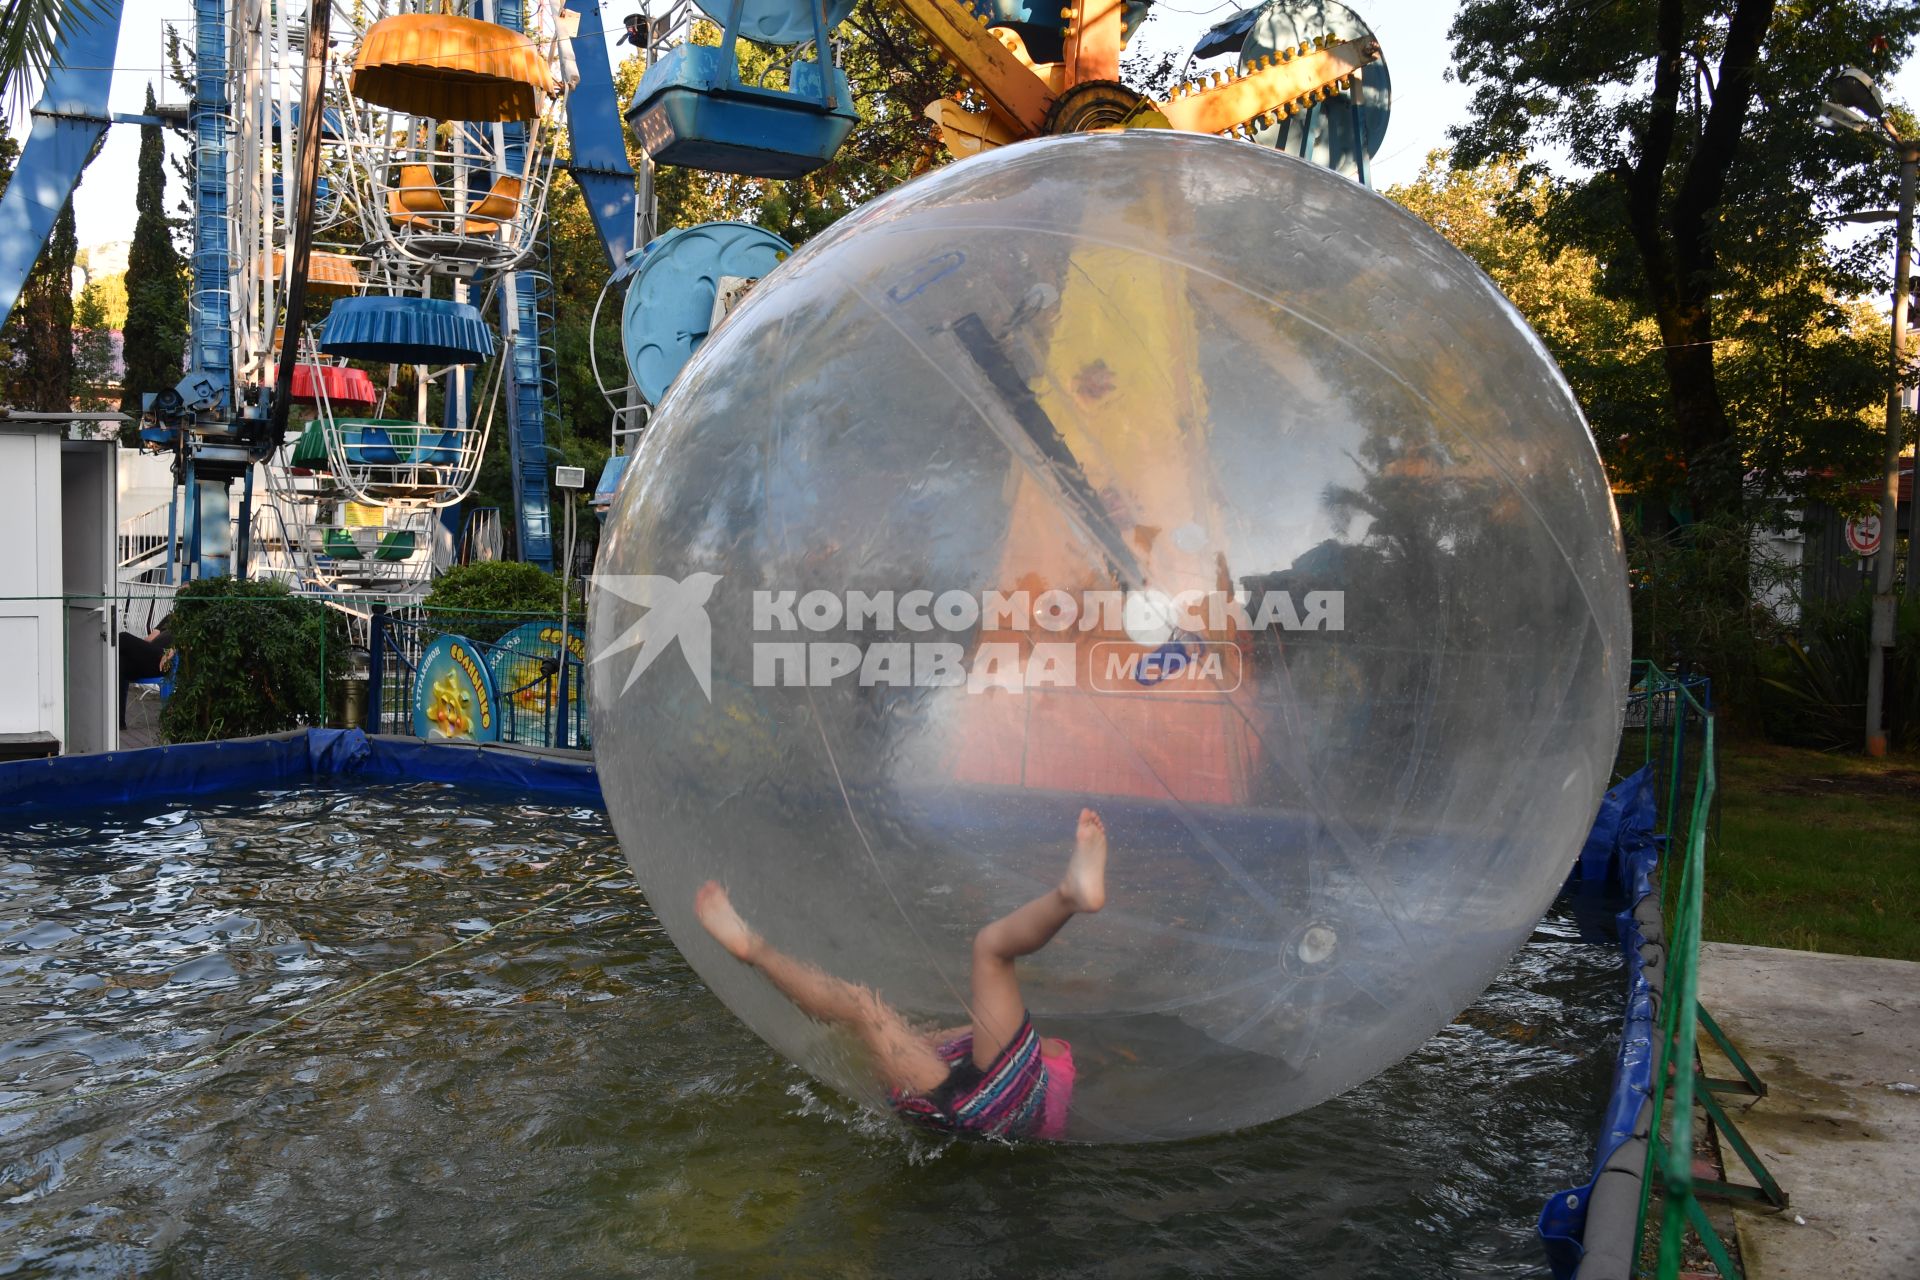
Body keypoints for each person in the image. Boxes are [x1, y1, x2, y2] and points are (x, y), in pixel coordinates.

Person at [694, 807, 1109, 1140]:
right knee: (881, 1011)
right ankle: (1069, 894)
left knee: (878, 999)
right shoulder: (1048, 1072)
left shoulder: (1040, 1054)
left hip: (975, 1105)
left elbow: (993, 1039)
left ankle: (755, 950)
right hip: (1001, 1115)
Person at [118, 614, 175, 728]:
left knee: (123, 637)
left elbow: (185, 644)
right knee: (121, 663)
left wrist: (171, 652)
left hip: (163, 660)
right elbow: (149, 640)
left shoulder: (191, 624)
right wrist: (137, 648)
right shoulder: (170, 618)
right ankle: (119, 722)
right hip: (150, 654)